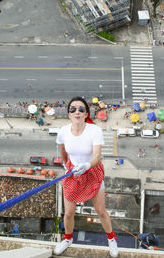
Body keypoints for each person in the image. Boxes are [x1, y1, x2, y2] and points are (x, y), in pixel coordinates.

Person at [54, 97, 118, 257]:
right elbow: (62, 148)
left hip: (91, 172)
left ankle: (111, 239)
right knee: (68, 213)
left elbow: (97, 157)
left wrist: (87, 166)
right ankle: (68, 239)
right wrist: (66, 164)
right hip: (73, 173)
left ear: (86, 114)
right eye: (73, 109)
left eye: (81, 109)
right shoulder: (63, 131)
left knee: (101, 211)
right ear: (68, 114)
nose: (77, 112)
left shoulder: (94, 130)